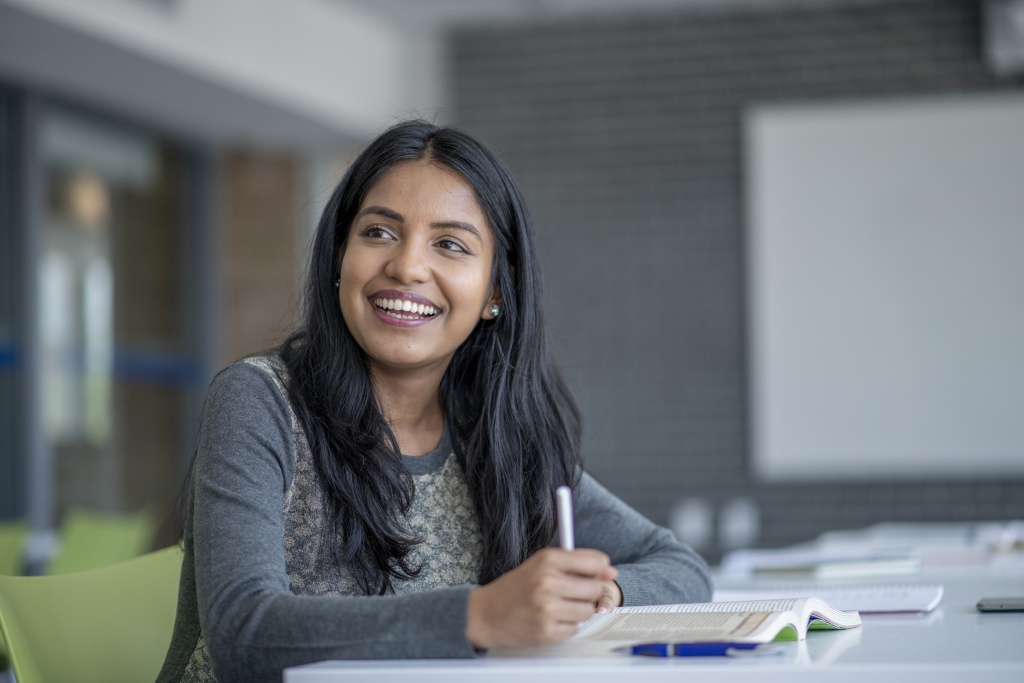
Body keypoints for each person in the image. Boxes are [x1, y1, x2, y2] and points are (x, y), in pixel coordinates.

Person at [157, 120, 711, 683]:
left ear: (496, 291)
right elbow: (243, 633)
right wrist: (482, 615)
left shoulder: (495, 436)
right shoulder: (260, 401)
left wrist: (602, 595)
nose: (407, 267)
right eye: (378, 233)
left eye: (449, 244)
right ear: (339, 256)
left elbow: (681, 568)